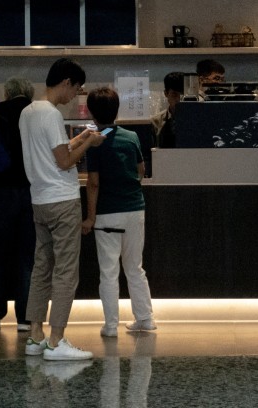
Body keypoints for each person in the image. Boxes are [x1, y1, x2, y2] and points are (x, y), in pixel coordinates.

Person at [20, 58, 106, 361]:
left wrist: (80, 138)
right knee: (66, 271)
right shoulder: (52, 114)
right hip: (63, 200)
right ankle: (56, 340)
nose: (76, 96)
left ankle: (35, 337)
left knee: (41, 269)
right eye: (77, 89)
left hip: (39, 201)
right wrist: (91, 143)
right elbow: (64, 163)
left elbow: (53, 152)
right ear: (66, 82)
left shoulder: (27, 112)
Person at [81, 86, 155, 337]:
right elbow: (141, 170)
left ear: (92, 112)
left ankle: (111, 326)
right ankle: (145, 319)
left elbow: (93, 183)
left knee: (109, 271)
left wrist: (90, 217)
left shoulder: (94, 141)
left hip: (108, 213)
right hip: (135, 208)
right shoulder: (131, 137)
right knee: (135, 267)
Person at [0, 76, 36, 332]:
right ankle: (24, 317)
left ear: (7, 93)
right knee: (27, 257)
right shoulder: (37, 113)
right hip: (30, 190)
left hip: (1, 189)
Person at [151, 71, 184, 149]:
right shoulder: (156, 122)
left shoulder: (196, 119)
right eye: (174, 94)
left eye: (183, 94)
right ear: (166, 93)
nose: (179, 99)